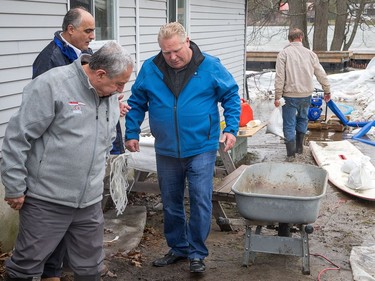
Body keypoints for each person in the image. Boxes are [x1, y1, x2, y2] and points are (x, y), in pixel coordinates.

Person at [1, 41, 134, 281]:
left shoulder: (109, 93)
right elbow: (16, 137)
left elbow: (102, 138)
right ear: (100, 73)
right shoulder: (52, 85)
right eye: (119, 83)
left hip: (89, 202)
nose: (121, 89)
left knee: (91, 269)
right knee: (26, 266)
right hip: (47, 199)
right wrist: (14, 186)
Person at [125, 22, 240, 273]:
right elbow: (136, 102)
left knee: (200, 199)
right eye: (166, 52)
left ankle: (197, 253)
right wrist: (131, 132)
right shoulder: (151, 68)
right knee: (170, 201)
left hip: (201, 146)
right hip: (166, 149)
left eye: (176, 50)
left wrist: (231, 128)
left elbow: (231, 95)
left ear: (187, 41)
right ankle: (178, 248)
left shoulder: (209, 66)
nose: (172, 57)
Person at [274, 28, 331, 162]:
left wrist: (277, 96)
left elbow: (279, 77)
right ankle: (299, 149)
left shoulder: (283, 54)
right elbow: (320, 73)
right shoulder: (311, 54)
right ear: (301, 37)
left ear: (289, 39)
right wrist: (327, 90)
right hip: (306, 94)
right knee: (303, 119)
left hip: (289, 95)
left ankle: (290, 156)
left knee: (288, 124)